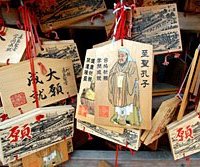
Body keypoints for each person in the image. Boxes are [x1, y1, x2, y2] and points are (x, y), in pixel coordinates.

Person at [108, 48, 142, 126]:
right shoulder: (116, 64)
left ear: (127, 56)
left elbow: (134, 77)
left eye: (122, 56)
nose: (120, 58)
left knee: (128, 106)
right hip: (118, 90)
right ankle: (118, 118)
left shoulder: (132, 64)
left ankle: (129, 119)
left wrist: (124, 76)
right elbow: (111, 74)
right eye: (119, 56)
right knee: (119, 106)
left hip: (128, 90)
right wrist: (115, 75)